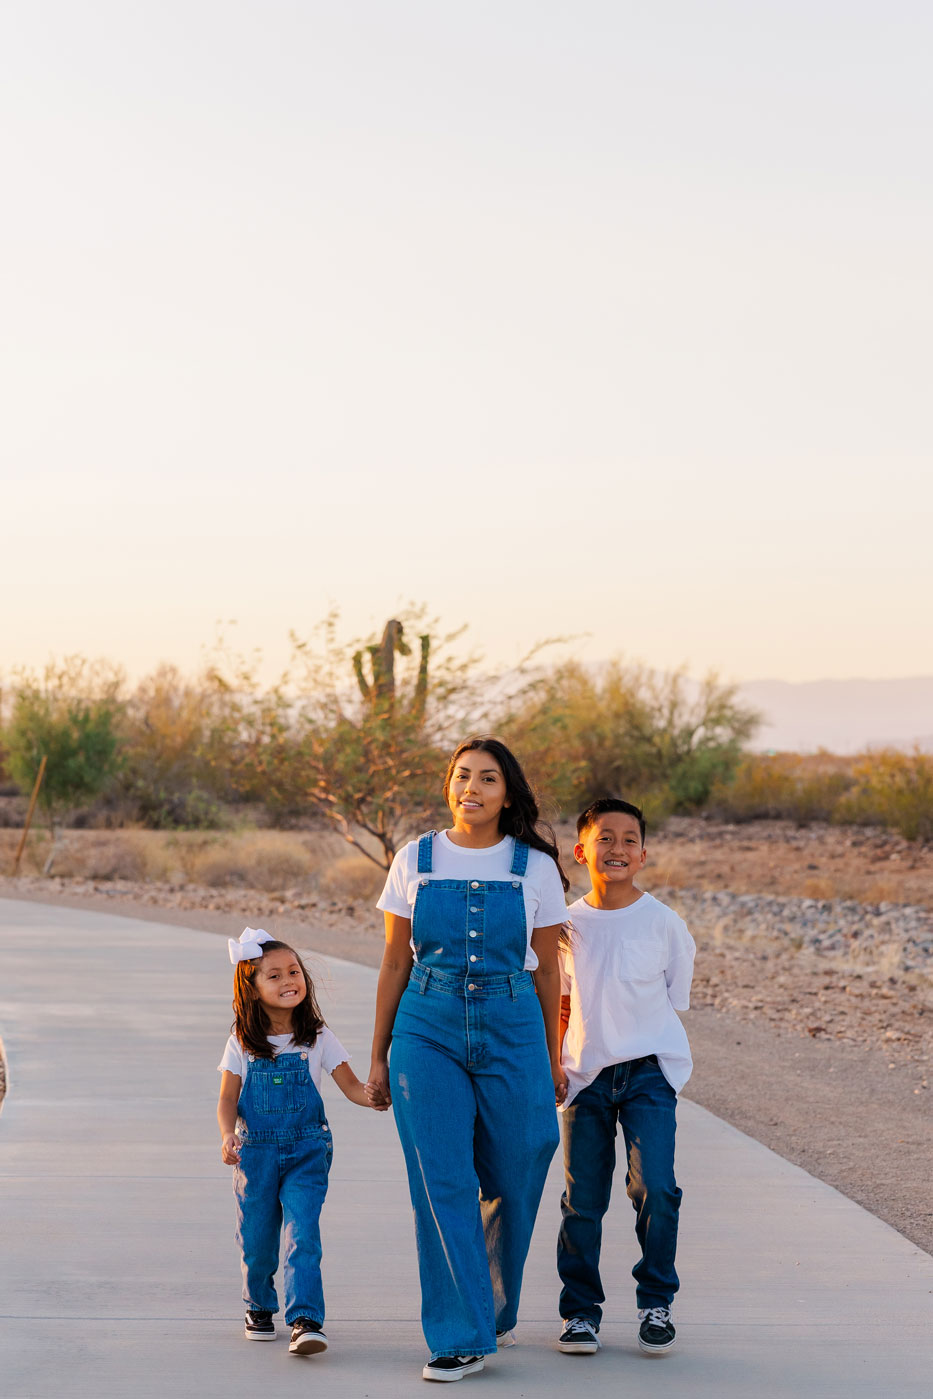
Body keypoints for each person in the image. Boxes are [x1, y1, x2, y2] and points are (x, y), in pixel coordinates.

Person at [366, 737, 569, 1383]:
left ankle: (491, 1307)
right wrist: (378, 1052)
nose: (471, 788)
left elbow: (547, 974)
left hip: (512, 1020)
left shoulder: (532, 865)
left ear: (507, 792)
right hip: (425, 1026)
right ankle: (458, 1336)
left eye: (486, 778)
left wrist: (550, 1055)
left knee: (517, 1168)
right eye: (461, 776)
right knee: (442, 1179)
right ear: (447, 784)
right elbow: (396, 959)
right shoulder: (414, 858)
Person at [555, 798, 695, 1358]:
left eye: (629, 839)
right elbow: (559, 1003)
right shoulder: (563, 924)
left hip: (648, 1075)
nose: (617, 848)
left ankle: (655, 1302)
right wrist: (554, 1063)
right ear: (581, 850)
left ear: (644, 853)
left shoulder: (663, 923)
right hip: (584, 1076)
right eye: (604, 838)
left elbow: (671, 998)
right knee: (582, 1201)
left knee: (655, 1188)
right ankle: (580, 1313)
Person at [217, 927, 385, 1356]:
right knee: (256, 1239)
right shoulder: (241, 1041)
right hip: (254, 1153)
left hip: (307, 1152)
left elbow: (350, 1086)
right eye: (273, 975)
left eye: (294, 971)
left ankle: (306, 1319)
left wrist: (375, 1097)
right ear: (251, 989)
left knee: (302, 1233)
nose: (288, 979)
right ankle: (259, 1305)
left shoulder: (318, 1037)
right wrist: (225, 1136)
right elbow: (227, 1098)